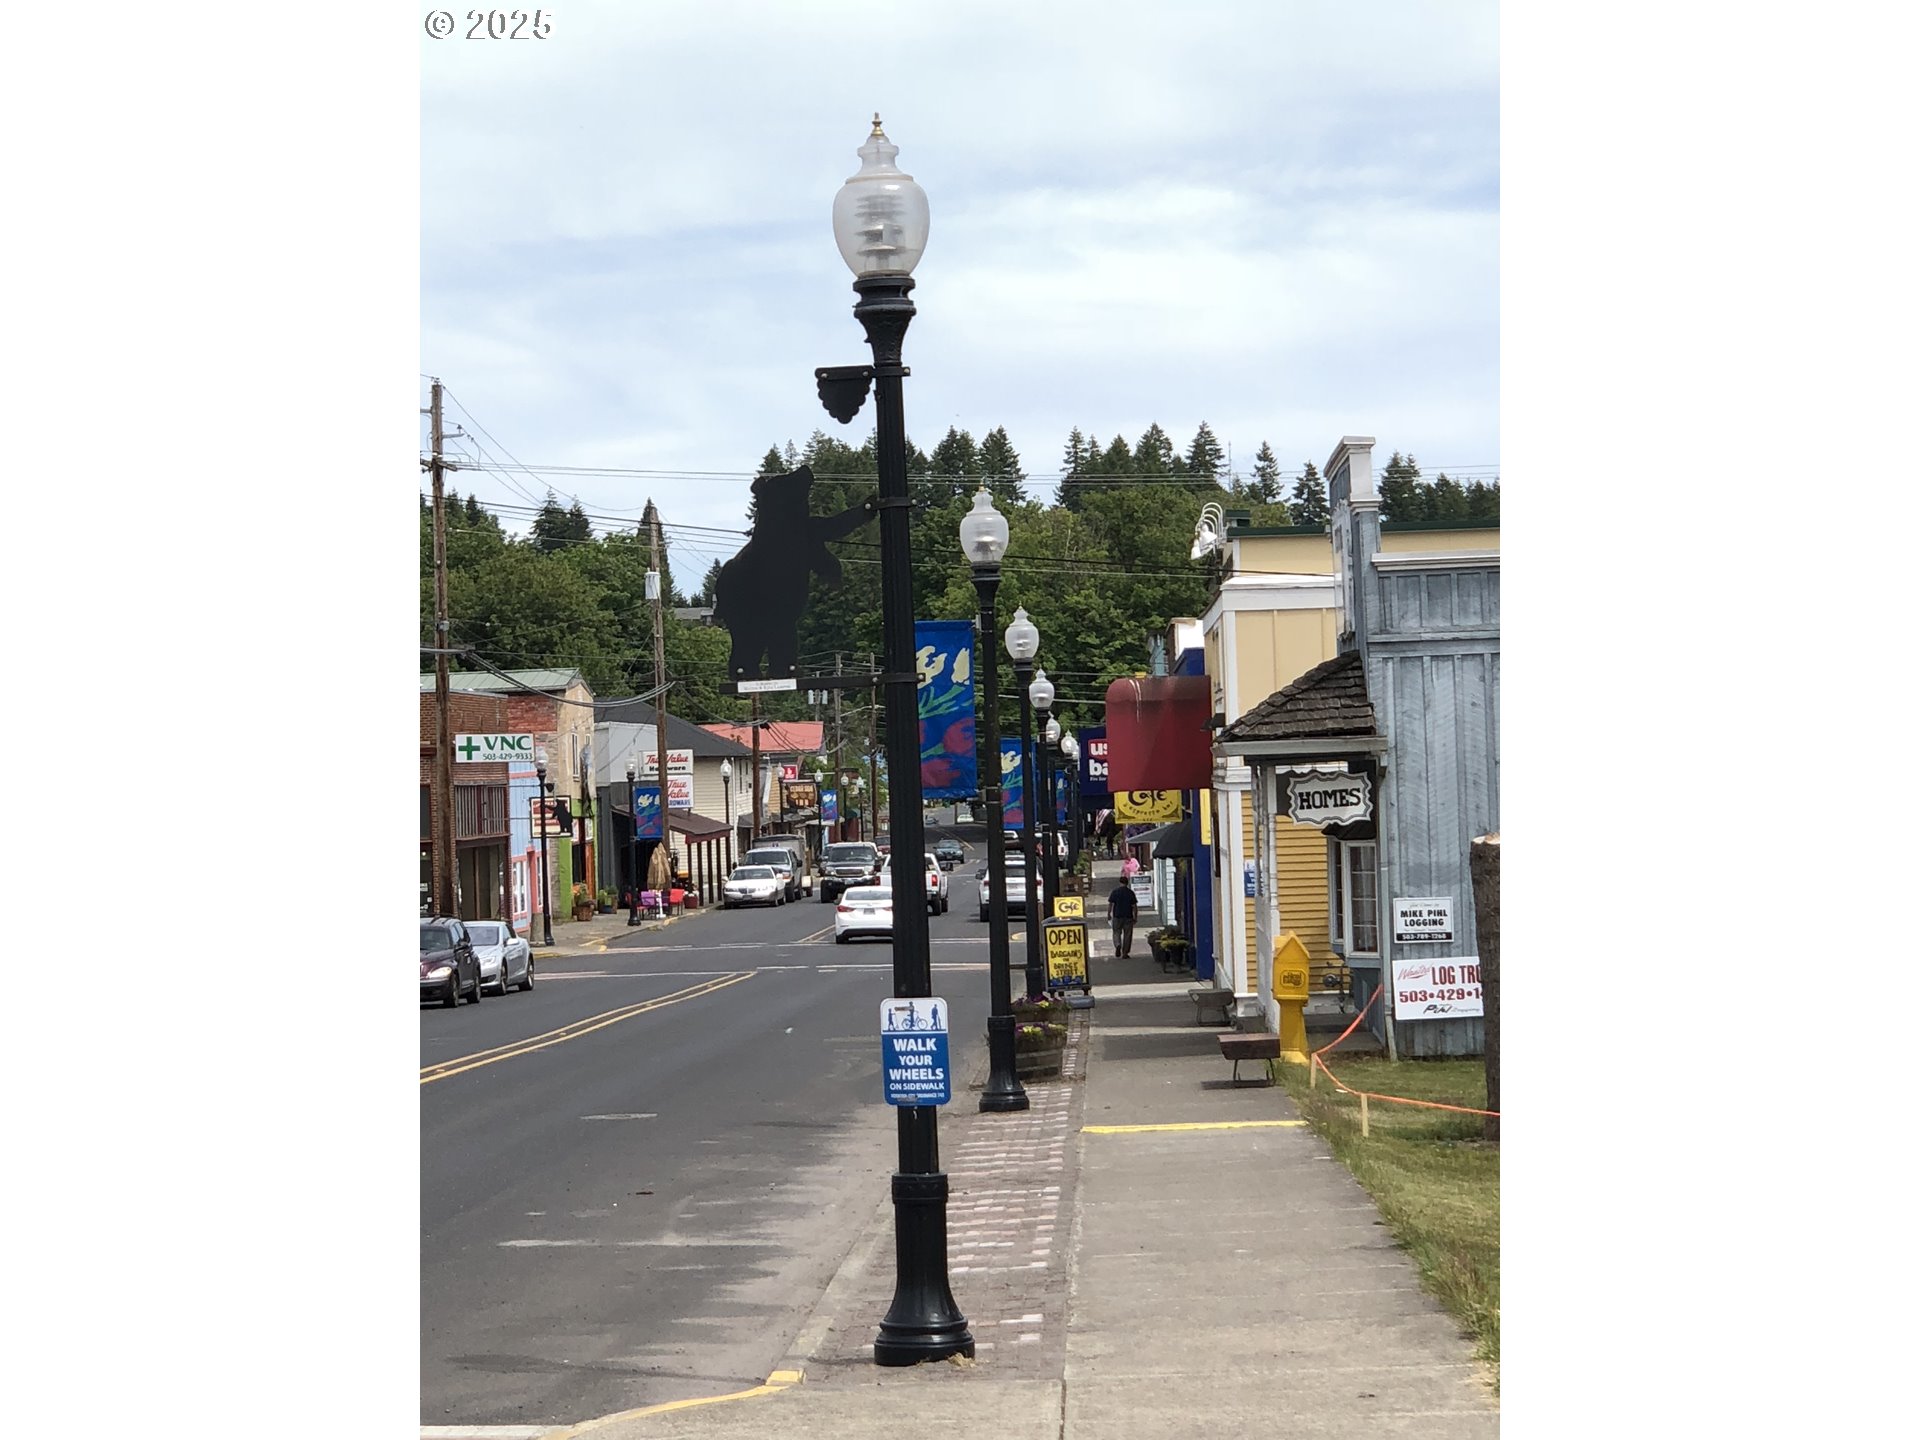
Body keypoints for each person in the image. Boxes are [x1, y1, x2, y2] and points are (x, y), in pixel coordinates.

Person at [1107, 877, 1139, 959]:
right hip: (1128, 916)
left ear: (1120, 882)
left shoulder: (1115, 892)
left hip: (1117, 916)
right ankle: (1125, 953)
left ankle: (1118, 944)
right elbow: (1134, 906)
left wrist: (1108, 914)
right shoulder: (1130, 893)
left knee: (1116, 932)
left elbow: (1110, 904)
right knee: (1128, 935)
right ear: (1127, 883)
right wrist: (1135, 916)